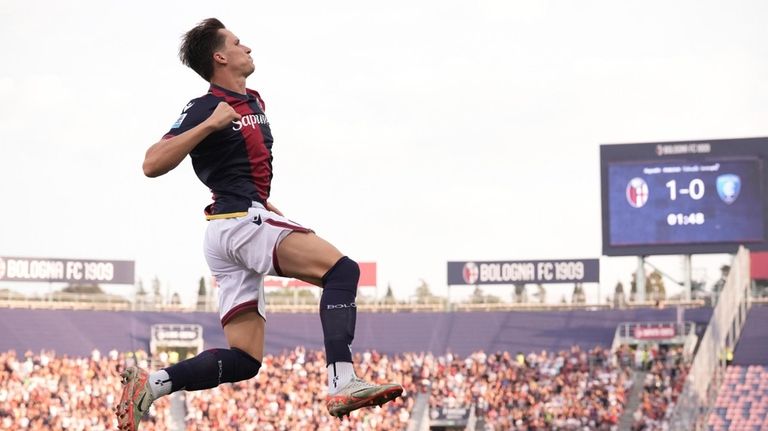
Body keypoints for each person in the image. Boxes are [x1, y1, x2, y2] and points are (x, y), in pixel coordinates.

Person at [115, 18, 403, 431]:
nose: (246, 47)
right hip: (237, 222)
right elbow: (151, 163)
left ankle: (154, 383)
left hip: (235, 225)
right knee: (343, 271)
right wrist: (208, 125)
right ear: (220, 57)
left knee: (245, 360)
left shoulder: (254, 101)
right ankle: (342, 380)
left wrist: (276, 213)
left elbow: (248, 177)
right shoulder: (205, 107)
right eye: (236, 42)